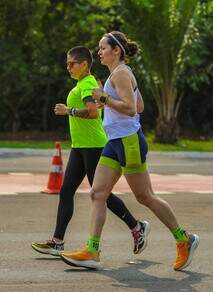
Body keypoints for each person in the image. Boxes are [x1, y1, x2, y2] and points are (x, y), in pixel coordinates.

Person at [60, 32, 199, 271]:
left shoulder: (122, 73)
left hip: (128, 142)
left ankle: (184, 238)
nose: (99, 51)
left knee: (144, 196)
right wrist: (109, 101)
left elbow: (132, 109)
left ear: (116, 50)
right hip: (114, 142)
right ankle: (92, 250)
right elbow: (140, 105)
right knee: (97, 193)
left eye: (103, 48)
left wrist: (104, 98)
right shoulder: (117, 74)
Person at [31, 46, 150, 257]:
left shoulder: (87, 83)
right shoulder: (83, 83)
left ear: (84, 64)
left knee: (101, 194)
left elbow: (93, 113)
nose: (68, 67)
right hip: (80, 147)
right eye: (67, 63)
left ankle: (136, 227)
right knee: (68, 191)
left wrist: (69, 111)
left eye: (72, 64)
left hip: (94, 146)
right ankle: (57, 242)